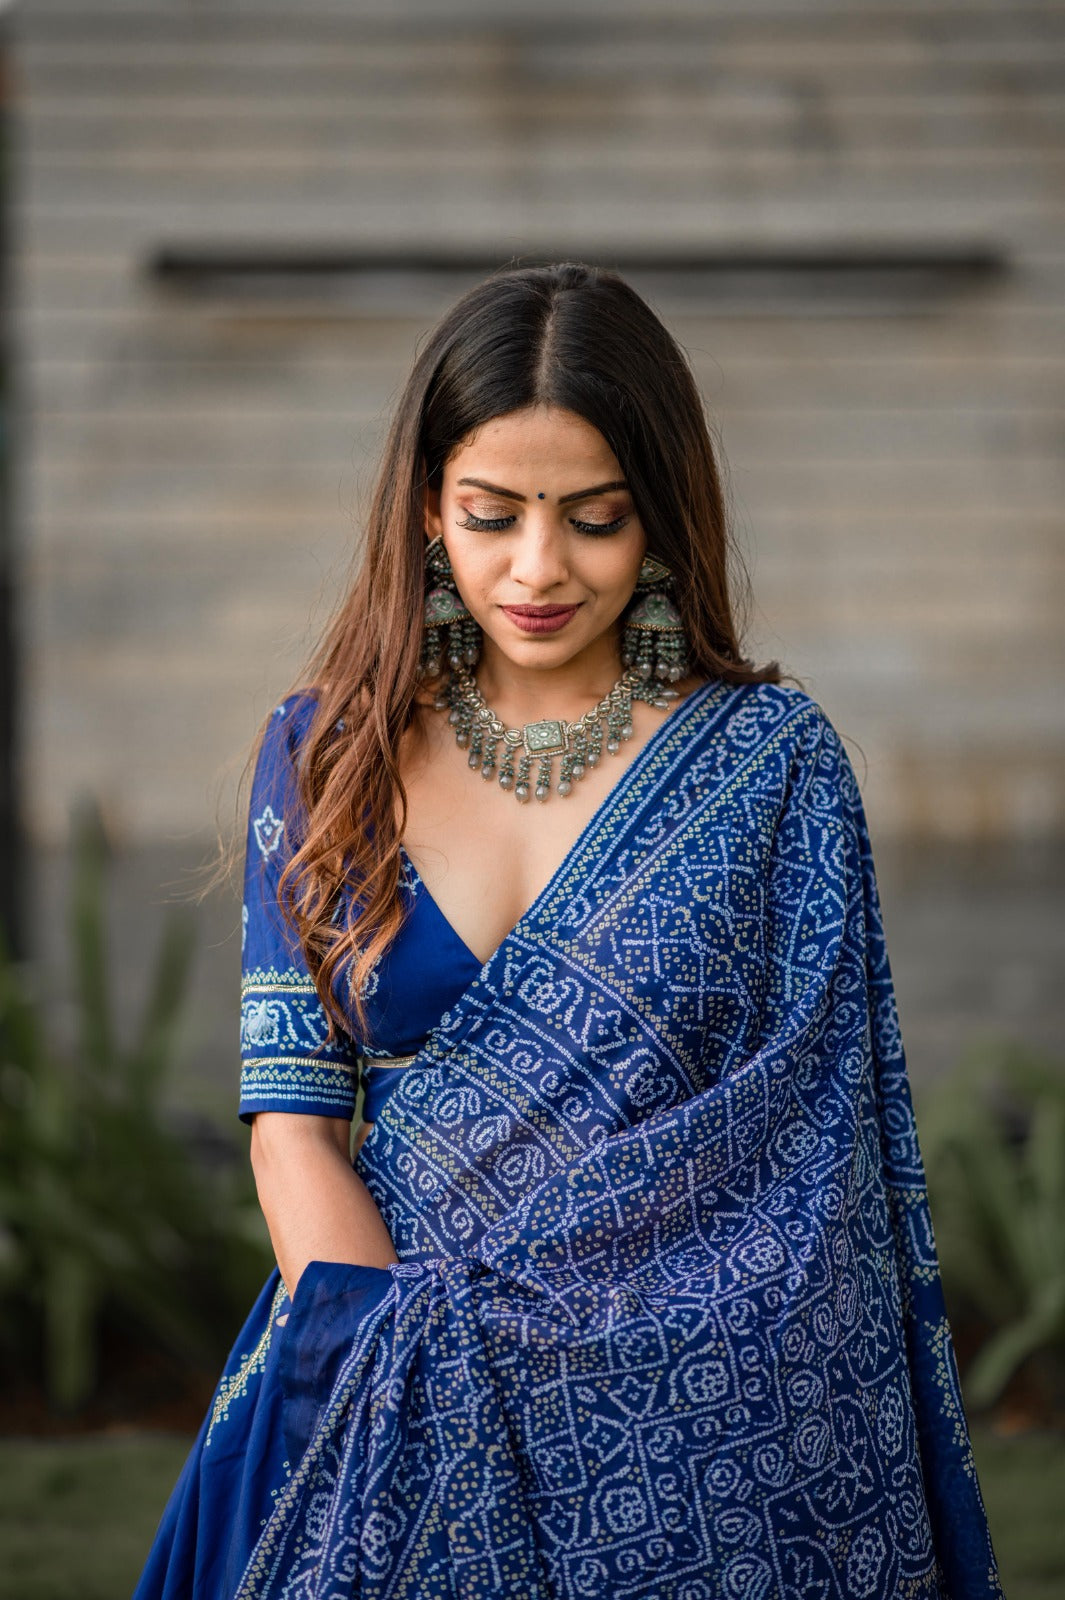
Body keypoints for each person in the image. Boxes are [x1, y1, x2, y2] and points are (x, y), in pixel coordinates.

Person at [134, 262, 1001, 1600]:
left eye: (592, 520)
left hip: (694, 1426)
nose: (537, 570)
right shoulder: (327, 754)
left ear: (660, 518)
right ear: (428, 508)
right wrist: (398, 1353)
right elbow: (294, 1119)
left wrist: (606, 1370)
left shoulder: (765, 768)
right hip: (371, 1371)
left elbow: (805, 1158)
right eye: (491, 516)